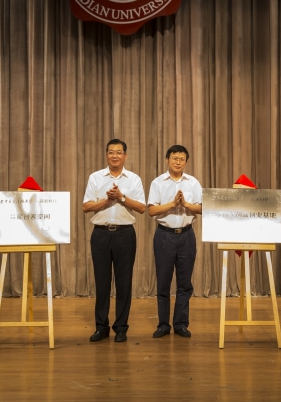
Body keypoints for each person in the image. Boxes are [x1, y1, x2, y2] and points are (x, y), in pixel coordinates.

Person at [82, 139, 146, 343]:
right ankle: (101, 327)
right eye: (111, 152)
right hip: (100, 234)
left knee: (123, 283)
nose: (115, 155)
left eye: (119, 152)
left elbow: (142, 208)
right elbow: (86, 206)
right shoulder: (95, 177)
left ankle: (121, 328)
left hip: (125, 234)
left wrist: (121, 197)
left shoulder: (134, 179)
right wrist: (107, 200)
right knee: (102, 283)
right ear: (106, 155)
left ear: (125, 156)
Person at [147, 145, 202, 339]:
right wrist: (173, 204)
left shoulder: (193, 183)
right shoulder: (158, 182)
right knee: (163, 282)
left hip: (186, 235)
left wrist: (185, 204)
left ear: (186, 162)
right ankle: (163, 325)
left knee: (185, 283)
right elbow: (152, 210)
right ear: (167, 160)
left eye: (181, 159)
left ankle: (181, 324)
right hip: (164, 235)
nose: (178, 162)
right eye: (174, 158)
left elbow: (202, 208)